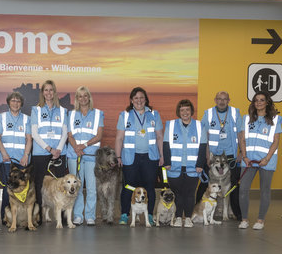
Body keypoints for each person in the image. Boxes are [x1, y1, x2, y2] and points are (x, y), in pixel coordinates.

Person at [115, 87, 163, 225]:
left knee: (149, 187)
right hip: (130, 157)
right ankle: (125, 214)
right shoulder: (124, 115)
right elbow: (119, 138)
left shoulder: (154, 114)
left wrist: (161, 155)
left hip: (150, 157)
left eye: (142, 98)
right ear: (131, 100)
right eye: (136, 98)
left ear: (146, 99)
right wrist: (118, 157)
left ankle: (149, 215)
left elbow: (159, 136)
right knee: (129, 186)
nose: (139, 100)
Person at [237, 91, 282, 230]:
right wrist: (244, 157)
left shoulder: (275, 120)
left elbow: (275, 141)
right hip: (248, 160)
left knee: (265, 191)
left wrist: (267, 159)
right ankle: (244, 219)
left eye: (262, 100)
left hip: (267, 161)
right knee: (243, 189)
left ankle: (260, 220)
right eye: (256, 100)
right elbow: (242, 140)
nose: (259, 102)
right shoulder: (246, 119)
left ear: (267, 102)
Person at [198, 91, 242, 220]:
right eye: (219, 99)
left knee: (233, 185)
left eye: (224, 99)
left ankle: (236, 213)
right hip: (212, 155)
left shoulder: (235, 113)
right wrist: (207, 156)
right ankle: (197, 210)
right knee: (205, 184)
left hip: (230, 155)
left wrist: (240, 153)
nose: (222, 101)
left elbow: (240, 134)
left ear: (228, 100)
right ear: (215, 100)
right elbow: (204, 136)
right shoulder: (208, 113)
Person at [163, 99, 207, 228]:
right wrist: (167, 162)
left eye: (187, 109)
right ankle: (177, 218)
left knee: (189, 193)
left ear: (191, 111)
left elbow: (203, 147)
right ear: (179, 112)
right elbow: (166, 145)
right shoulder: (170, 125)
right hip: (174, 167)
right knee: (177, 194)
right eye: (182, 110)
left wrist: (200, 164)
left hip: (193, 167)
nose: (185, 112)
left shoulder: (199, 126)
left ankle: (187, 217)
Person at [30, 80, 68, 216]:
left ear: (55, 92)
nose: (48, 93)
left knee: (62, 185)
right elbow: (34, 133)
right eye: (46, 90)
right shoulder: (36, 109)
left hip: (59, 152)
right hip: (40, 152)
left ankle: (62, 216)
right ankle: (38, 215)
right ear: (42, 93)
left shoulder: (63, 111)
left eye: (51, 90)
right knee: (39, 185)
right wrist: (49, 149)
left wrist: (57, 149)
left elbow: (65, 133)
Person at [67, 86, 104, 226]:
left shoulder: (98, 114)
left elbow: (99, 135)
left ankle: (90, 216)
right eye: (79, 96)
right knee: (75, 187)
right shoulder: (70, 114)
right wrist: (76, 147)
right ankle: (77, 215)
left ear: (89, 97)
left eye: (85, 96)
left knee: (91, 188)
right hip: (74, 155)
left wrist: (84, 145)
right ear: (76, 99)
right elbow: (70, 135)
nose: (83, 98)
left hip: (90, 155)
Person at [0, 92, 32, 223]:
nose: (15, 103)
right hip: (7, 160)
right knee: (8, 188)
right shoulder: (1, 117)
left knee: (23, 189)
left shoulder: (27, 119)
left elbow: (29, 139)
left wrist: (26, 155)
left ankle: (23, 218)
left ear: (21, 104)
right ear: (8, 102)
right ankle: (6, 217)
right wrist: (4, 153)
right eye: (13, 101)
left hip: (22, 160)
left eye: (18, 101)